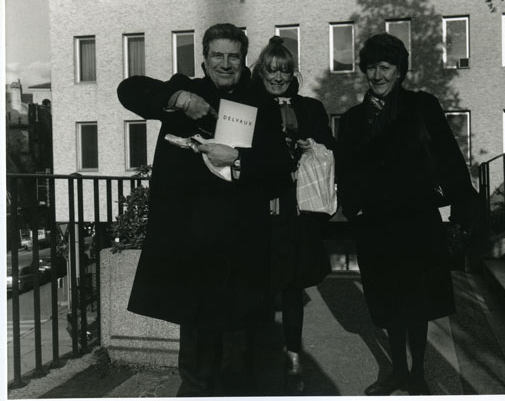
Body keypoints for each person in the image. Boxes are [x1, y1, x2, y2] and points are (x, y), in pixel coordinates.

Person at [117, 23, 292, 397]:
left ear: (244, 60)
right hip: (192, 247)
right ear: (204, 59)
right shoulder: (186, 90)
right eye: (218, 55)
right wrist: (180, 98)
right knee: (196, 358)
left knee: (237, 359)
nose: (225, 64)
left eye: (233, 56)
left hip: (239, 248)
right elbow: (128, 90)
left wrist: (238, 159)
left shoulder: (259, 102)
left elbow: (280, 171)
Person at [336, 33, 477, 396]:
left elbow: (448, 157)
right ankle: (397, 370)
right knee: (387, 301)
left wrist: (461, 209)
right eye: (371, 67)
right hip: (375, 225)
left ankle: (417, 374)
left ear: (400, 71)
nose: (377, 75)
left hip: (416, 221)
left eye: (385, 67)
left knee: (416, 302)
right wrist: (354, 208)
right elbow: (344, 170)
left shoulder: (421, 106)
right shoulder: (352, 119)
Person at [251, 36, 336, 394]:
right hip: (258, 209)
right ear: (261, 72)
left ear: (292, 73)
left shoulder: (311, 108)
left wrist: (310, 146)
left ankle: (293, 358)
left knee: (292, 287)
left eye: (284, 70)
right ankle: (256, 358)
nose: (277, 77)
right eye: (271, 70)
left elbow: (330, 149)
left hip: (296, 208)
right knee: (256, 285)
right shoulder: (248, 105)